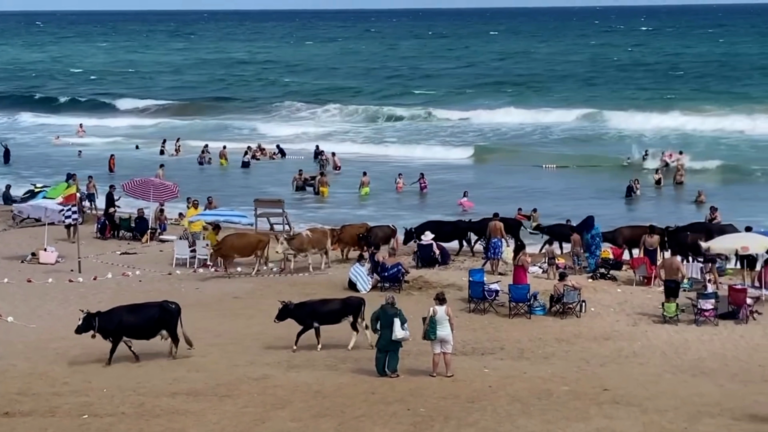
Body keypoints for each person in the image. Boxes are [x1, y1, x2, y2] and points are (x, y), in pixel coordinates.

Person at [370, 294, 408, 378]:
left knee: (381, 354)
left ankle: (381, 371)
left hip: (383, 335)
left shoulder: (380, 310)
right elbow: (404, 321)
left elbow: (373, 317)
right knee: (393, 354)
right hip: (395, 336)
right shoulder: (397, 311)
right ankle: (392, 371)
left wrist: (375, 329)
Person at [427, 291, 455, 378]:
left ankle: (434, 372)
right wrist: (452, 331)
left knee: (436, 354)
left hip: (436, 333)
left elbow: (427, 323)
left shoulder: (433, 309)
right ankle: (448, 372)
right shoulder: (448, 309)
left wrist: (424, 333)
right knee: (447, 353)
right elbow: (452, 322)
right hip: (447, 333)